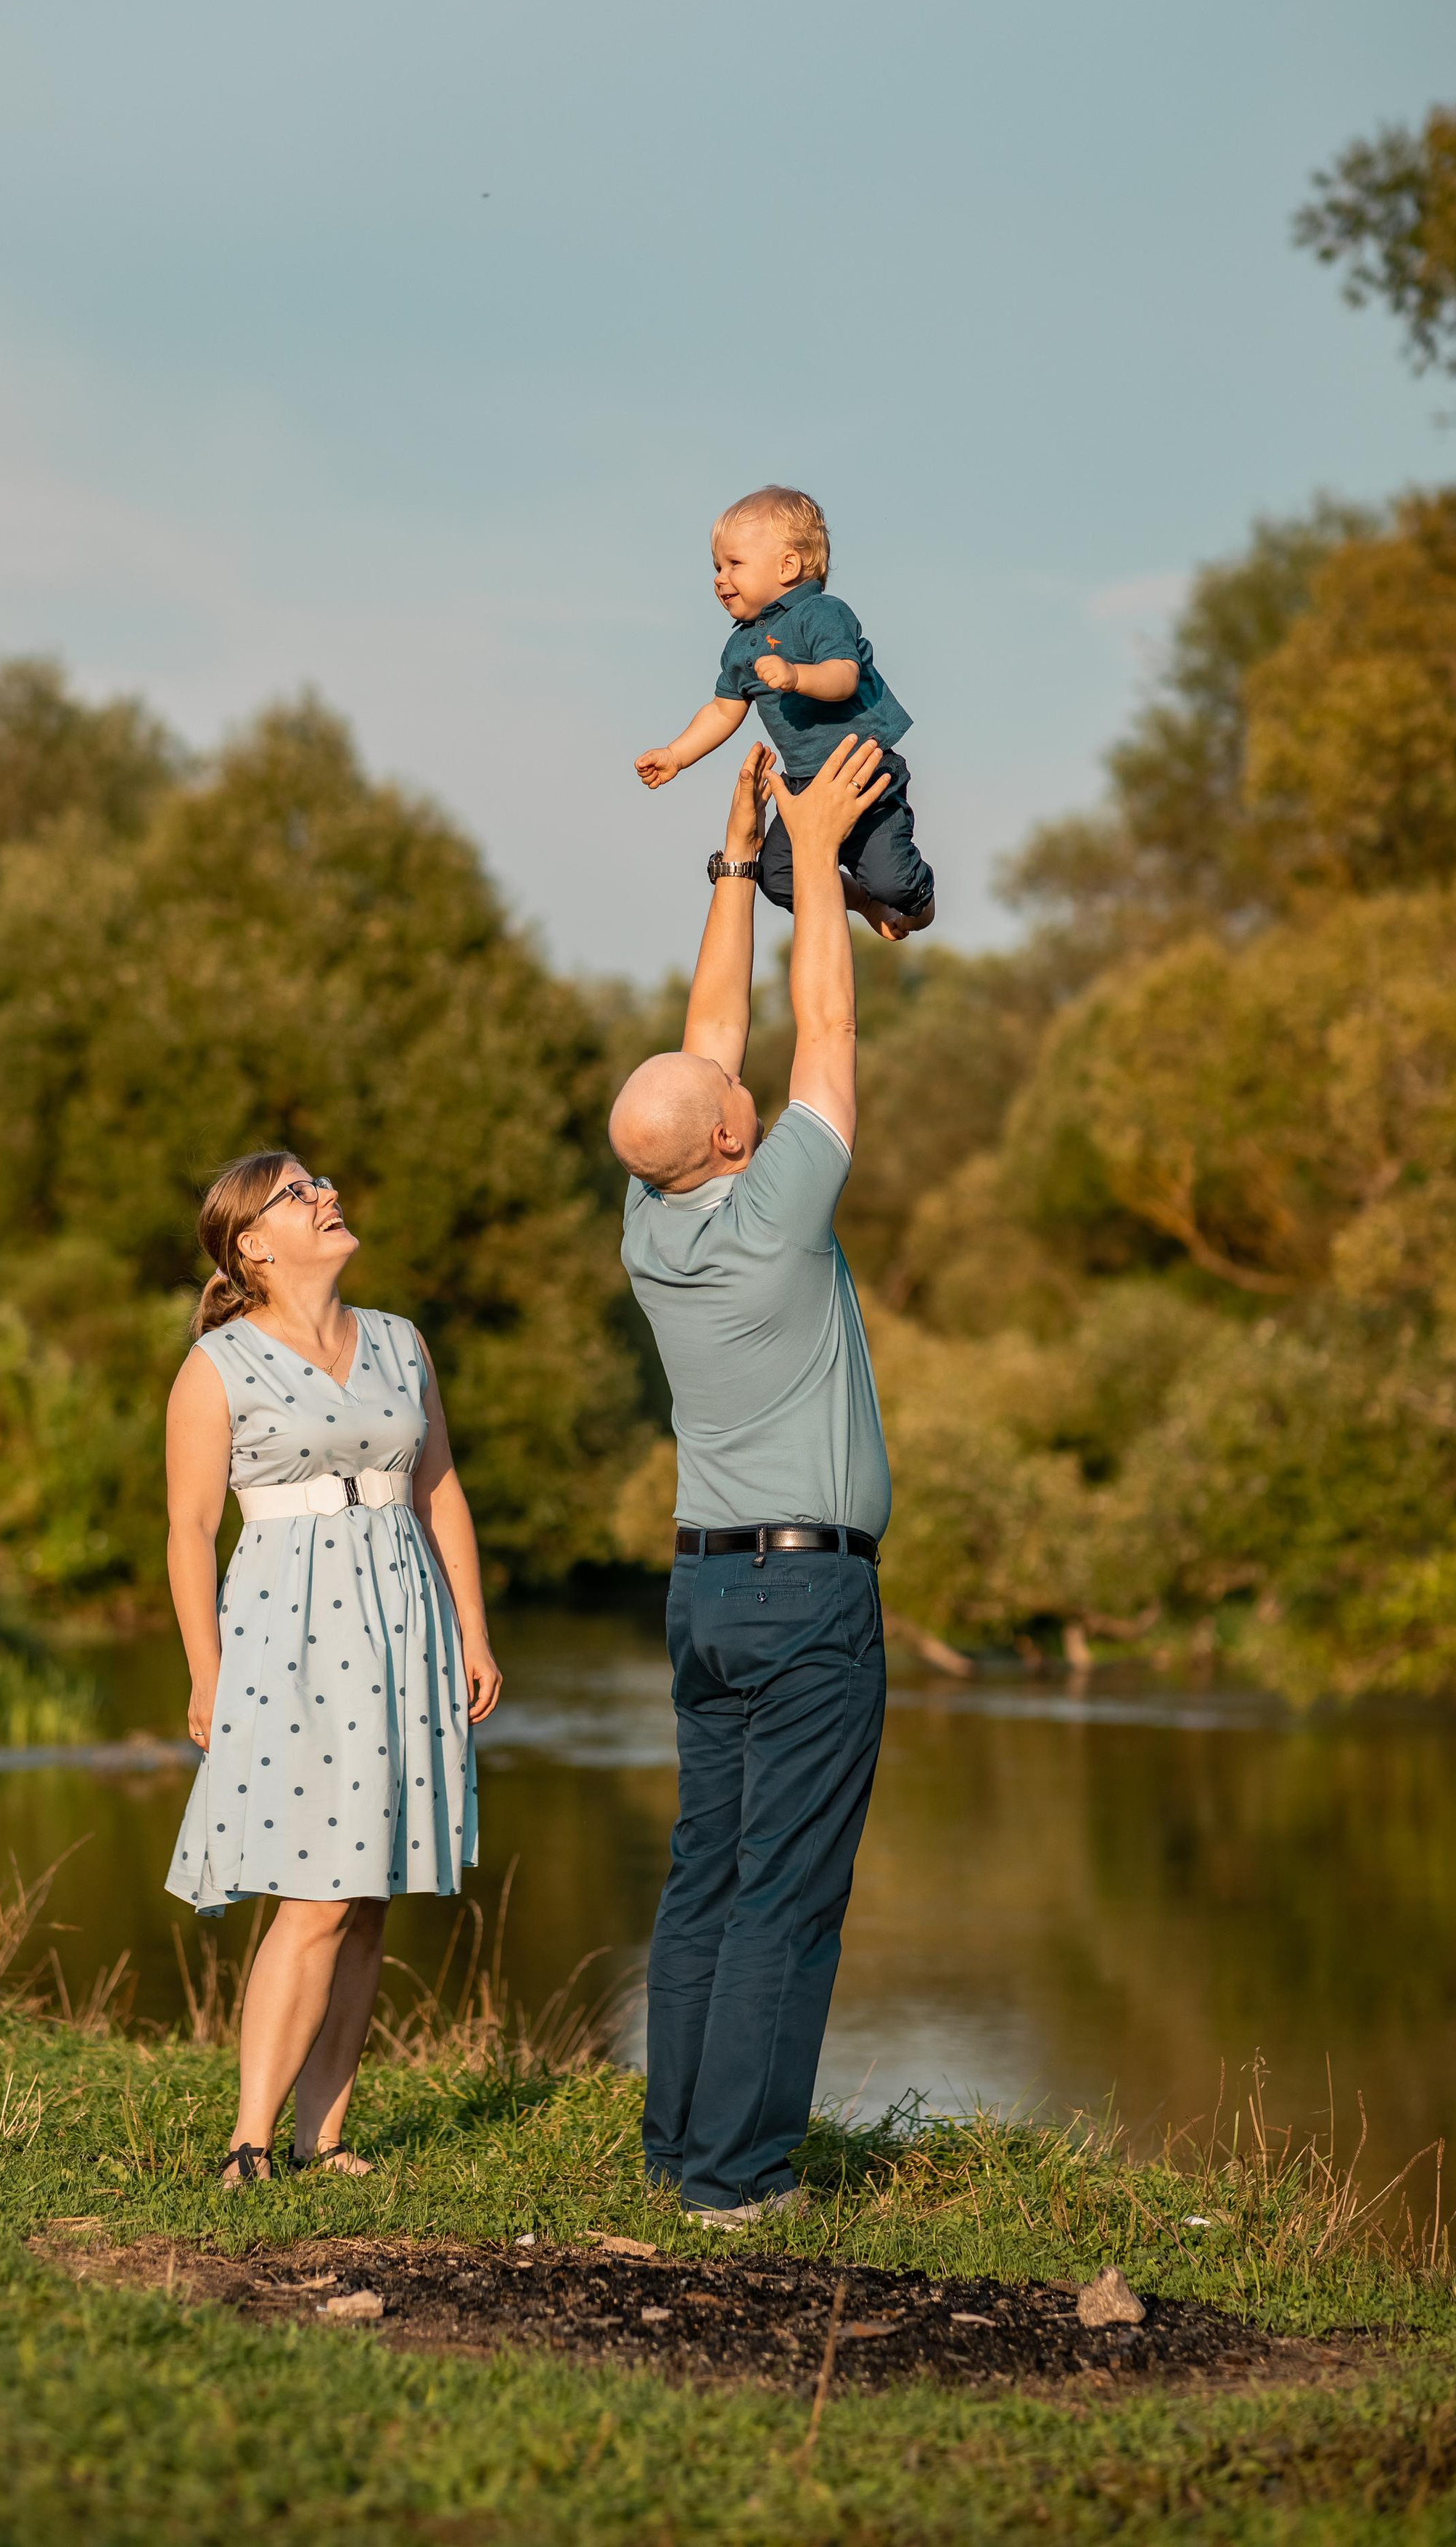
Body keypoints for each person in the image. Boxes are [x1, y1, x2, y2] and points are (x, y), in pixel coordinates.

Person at [609, 733, 892, 2227]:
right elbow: (819, 1028)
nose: (743, 1090)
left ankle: (676, 2151)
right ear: (729, 1136)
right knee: (782, 1892)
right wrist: (821, 854)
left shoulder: (651, 1229)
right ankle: (734, 2184)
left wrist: (736, 863)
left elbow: (709, 1039)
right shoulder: (774, 1212)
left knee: (704, 1881)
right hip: (802, 1597)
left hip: (704, 1592)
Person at [164, 1151, 502, 2188]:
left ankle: (328, 2137)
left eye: (322, 1184)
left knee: (371, 1894)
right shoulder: (216, 1366)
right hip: (286, 1630)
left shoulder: (401, 1343)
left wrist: (475, 1631)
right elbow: (187, 1531)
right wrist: (204, 1672)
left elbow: (439, 1489)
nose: (327, 1196)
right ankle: (248, 2145)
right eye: (299, 1194)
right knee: (314, 1893)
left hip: (404, 1619)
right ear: (253, 1244)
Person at [633, 483, 935, 939]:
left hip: (862, 773)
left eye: (735, 563)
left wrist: (797, 677)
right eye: (717, 566)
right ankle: (861, 901)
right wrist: (676, 755)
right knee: (778, 880)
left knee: (894, 882)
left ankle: (918, 900)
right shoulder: (741, 645)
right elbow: (721, 710)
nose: (719, 577)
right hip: (803, 785)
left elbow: (843, 676)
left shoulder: (820, 612)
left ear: (788, 565)